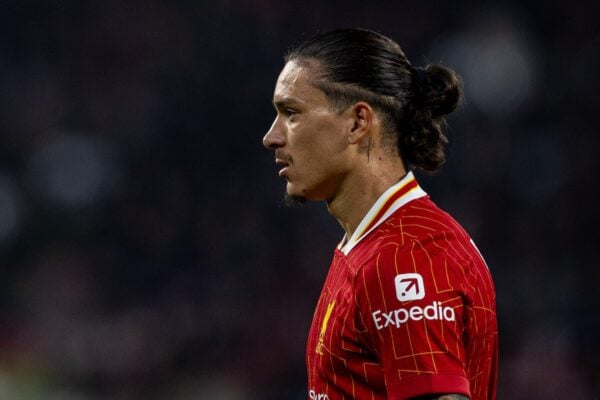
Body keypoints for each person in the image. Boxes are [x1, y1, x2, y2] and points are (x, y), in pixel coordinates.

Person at [262, 28, 497, 400]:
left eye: (291, 113)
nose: (271, 137)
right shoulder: (373, 245)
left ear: (357, 122)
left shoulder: (408, 254)